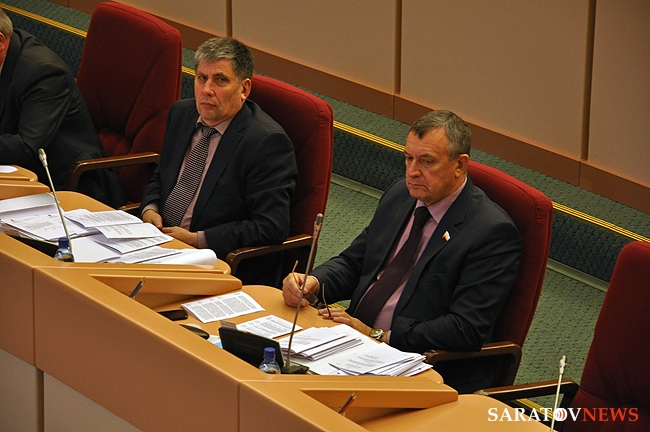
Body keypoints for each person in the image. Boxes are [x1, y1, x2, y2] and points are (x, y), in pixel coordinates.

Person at [282, 110, 522, 392]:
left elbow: (464, 328)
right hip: (353, 341)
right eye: (409, 158)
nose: (412, 172)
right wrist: (313, 282)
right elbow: (355, 262)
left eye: (427, 161)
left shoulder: (491, 233)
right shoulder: (401, 195)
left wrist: (380, 335)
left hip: (418, 365)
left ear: (460, 165)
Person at [140, 37, 297, 286]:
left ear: (244, 89)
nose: (207, 90)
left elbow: (270, 226)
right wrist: (150, 208)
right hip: (156, 241)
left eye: (220, 80)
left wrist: (198, 239)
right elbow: (162, 175)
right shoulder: (181, 114)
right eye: (202, 78)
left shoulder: (266, 142)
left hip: (213, 261)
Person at [0, 8, 128, 208]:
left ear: (0, 41)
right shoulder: (6, 55)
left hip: (70, 184)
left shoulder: (42, 72)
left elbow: (26, 147)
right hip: (19, 175)